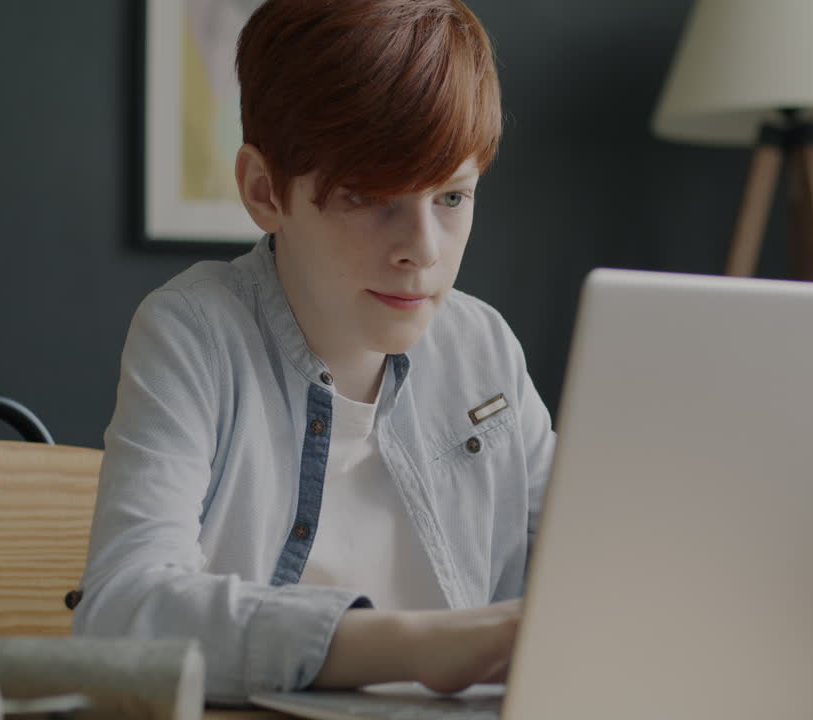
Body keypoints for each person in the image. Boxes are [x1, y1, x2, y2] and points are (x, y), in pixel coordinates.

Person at [73, 0, 555, 704]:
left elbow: (589, 561)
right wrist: (419, 646)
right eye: (368, 196)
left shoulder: (484, 348)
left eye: (451, 198)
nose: (421, 249)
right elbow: (120, 614)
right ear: (265, 192)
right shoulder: (195, 333)